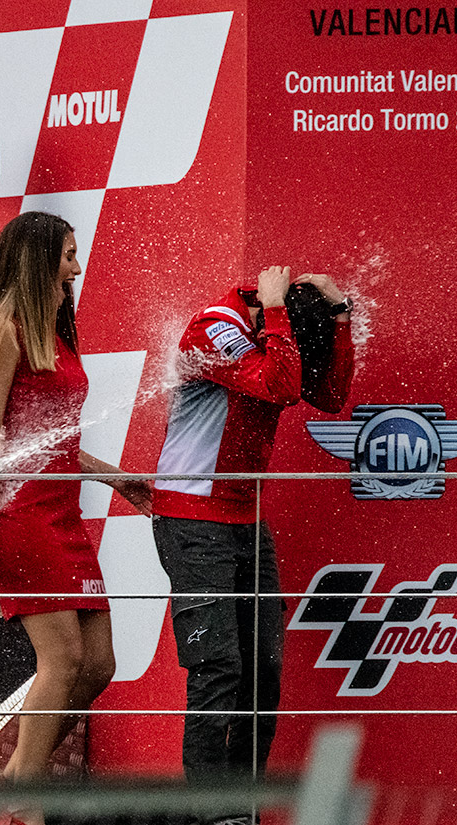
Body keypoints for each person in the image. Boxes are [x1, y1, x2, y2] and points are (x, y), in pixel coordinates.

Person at [0, 212, 151, 825]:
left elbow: (54, 443)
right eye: (68, 254)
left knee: (99, 666)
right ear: (40, 260)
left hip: (63, 517)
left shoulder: (57, 333)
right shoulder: (3, 334)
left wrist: (114, 475)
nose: (76, 266)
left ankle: (6, 785)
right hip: (20, 519)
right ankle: (25, 801)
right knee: (62, 660)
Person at [151, 265, 354, 796]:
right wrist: (281, 314)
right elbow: (279, 385)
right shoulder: (213, 324)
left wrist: (340, 316)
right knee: (218, 669)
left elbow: (328, 396)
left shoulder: (277, 326)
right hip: (192, 518)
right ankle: (203, 813)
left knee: (262, 674)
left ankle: (243, 809)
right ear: (266, 316)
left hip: (246, 519)